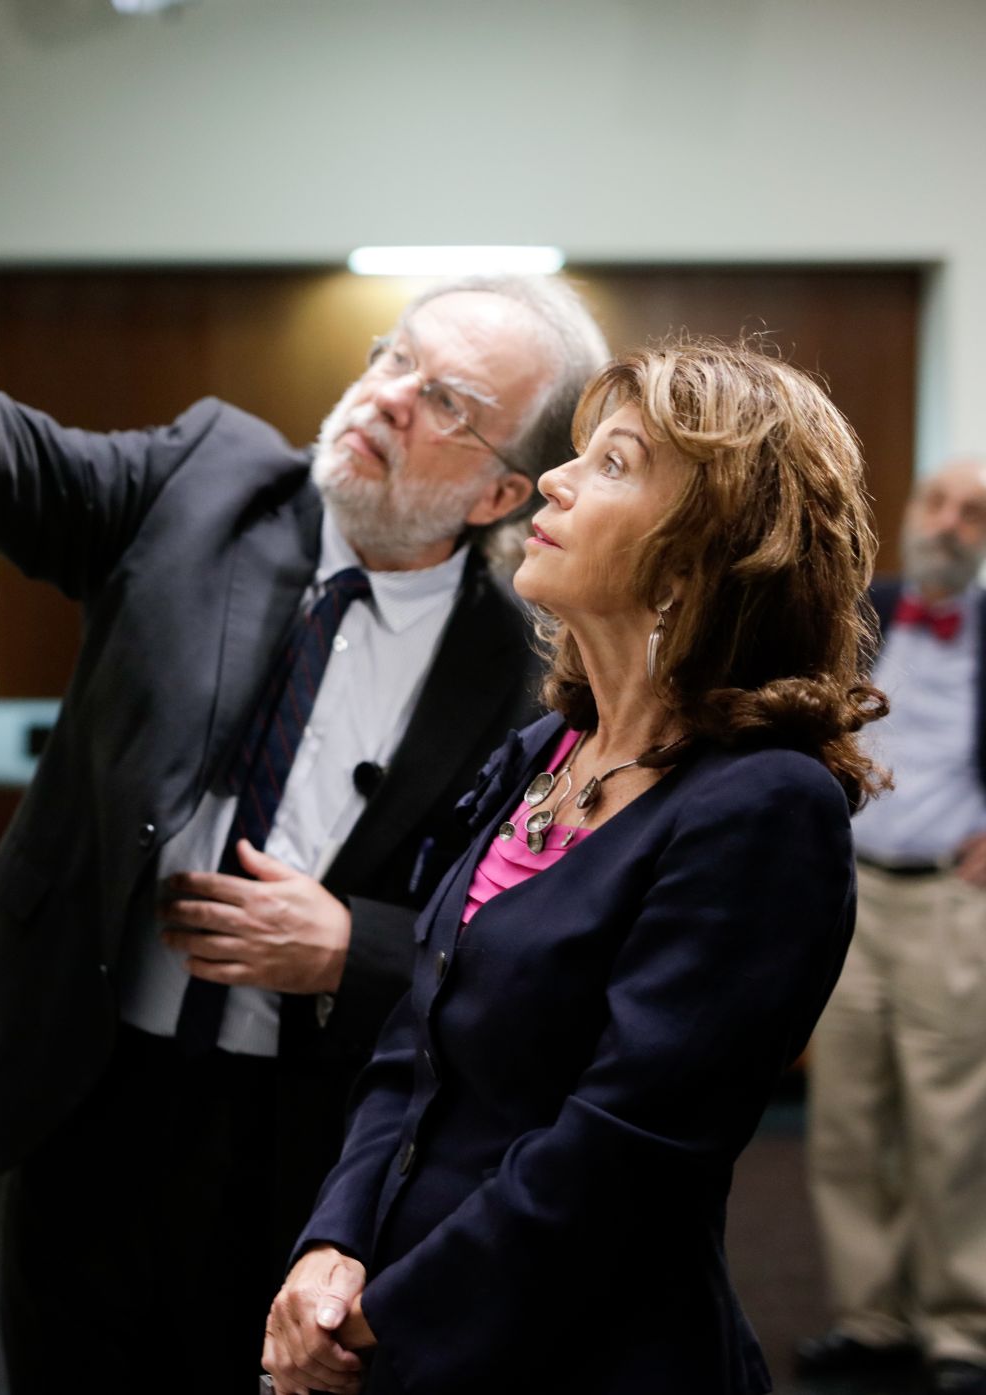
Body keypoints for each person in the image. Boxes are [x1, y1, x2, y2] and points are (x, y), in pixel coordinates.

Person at [0, 248, 608, 1391]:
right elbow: (41, 470)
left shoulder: (525, 678)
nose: (387, 395)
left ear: (498, 495)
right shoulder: (211, 484)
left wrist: (349, 948)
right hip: (94, 1088)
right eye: (395, 359)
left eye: (446, 404)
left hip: (308, 1137)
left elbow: (522, 935)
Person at [264, 339, 887, 1395]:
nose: (550, 479)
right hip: (393, 1308)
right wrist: (330, 1248)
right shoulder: (543, 749)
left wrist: (381, 1324)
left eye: (611, 464)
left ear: (703, 554)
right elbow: (412, 1046)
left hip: (571, 1349)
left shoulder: (763, 807)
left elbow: (625, 1148)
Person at [799, 458, 986, 1395]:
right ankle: (871, 1314)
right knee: (845, 1117)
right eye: (939, 504)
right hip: (851, 894)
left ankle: (960, 1325)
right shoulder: (861, 613)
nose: (950, 524)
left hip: (953, 906)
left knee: (951, 1124)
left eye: (973, 514)